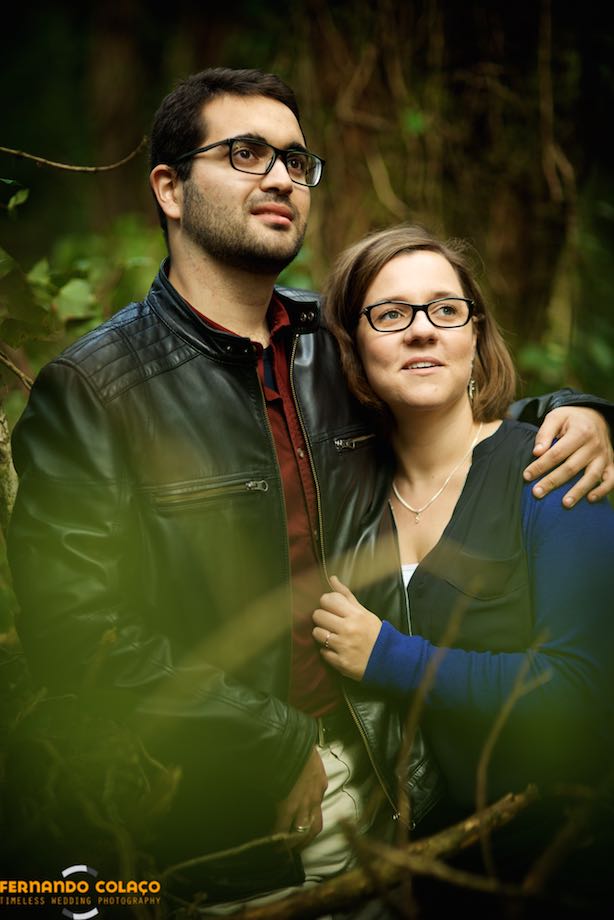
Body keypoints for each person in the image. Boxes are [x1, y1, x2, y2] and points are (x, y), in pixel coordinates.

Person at [5, 69, 614, 915]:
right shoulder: (95, 390)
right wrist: (274, 743)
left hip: (403, 778)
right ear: (170, 188)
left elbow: (447, 400)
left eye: (295, 158)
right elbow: (75, 634)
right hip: (230, 815)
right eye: (246, 152)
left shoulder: (329, 346)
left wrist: (579, 412)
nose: (282, 176)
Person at [314, 224, 614, 909]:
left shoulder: (552, 471)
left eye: (445, 309)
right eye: (390, 314)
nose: (422, 330)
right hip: (426, 877)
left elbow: (582, 695)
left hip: (570, 864)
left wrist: (389, 657)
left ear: (475, 338)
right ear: (354, 349)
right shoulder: (354, 505)